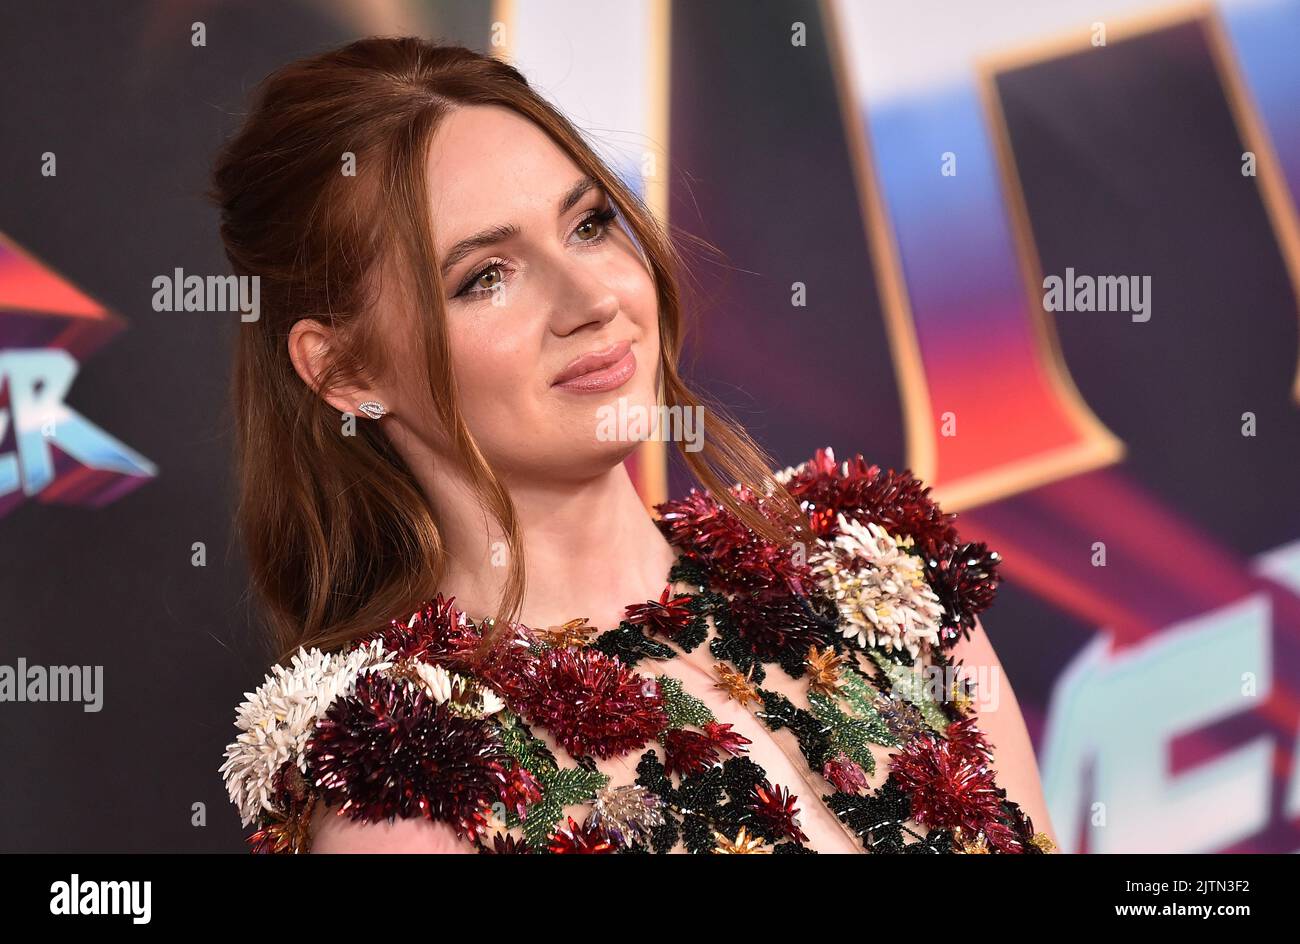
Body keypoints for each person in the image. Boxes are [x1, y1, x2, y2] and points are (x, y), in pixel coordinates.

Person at [214, 36, 1059, 854]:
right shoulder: (412, 792)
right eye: (485, 277)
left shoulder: (870, 576)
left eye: (588, 224)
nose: (591, 298)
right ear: (345, 370)